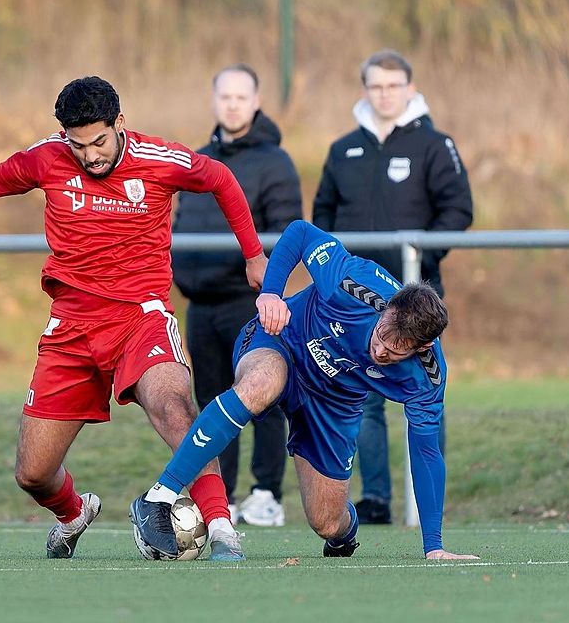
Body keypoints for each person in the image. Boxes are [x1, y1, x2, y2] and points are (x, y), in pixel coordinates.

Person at [0, 76, 266, 560]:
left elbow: (221, 180)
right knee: (32, 472)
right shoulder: (48, 156)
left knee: (174, 406)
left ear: (120, 123)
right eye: (78, 145)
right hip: (72, 327)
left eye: (98, 141)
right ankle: (73, 512)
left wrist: (253, 255)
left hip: (140, 317)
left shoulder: (158, 160)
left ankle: (223, 528)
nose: (90, 155)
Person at [131, 220, 478, 560]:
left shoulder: (427, 378)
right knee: (259, 384)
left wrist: (434, 546)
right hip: (284, 340)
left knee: (328, 522)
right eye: (384, 331)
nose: (382, 348)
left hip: (334, 402)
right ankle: (160, 495)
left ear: (423, 346)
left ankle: (345, 534)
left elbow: (427, 453)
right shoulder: (350, 281)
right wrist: (271, 294)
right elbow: (300, 232)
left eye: (398, 347)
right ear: (389, 307)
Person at [312, 50, 473, 525]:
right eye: (376, 86)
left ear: (409, 87)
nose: (384, 94)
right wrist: (336, 269)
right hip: (357, 307)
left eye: (393, 85)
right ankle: (376, 498)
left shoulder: (434, 145)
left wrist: (421, 263)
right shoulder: (343, 149)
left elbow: (458, 211)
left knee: (424, 395)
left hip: (415, 301)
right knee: (364, 398)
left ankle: (429, 509)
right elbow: (322, 213)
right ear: (365, 89)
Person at [172, 64, 301, 526]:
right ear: (213, 100)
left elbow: (286, 235)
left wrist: (269, 286)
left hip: (248, 302)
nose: (231, 104)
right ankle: (219, 496)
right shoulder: (198, 158)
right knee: (209, 400)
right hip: (200, 305)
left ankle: (266, 493)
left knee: (261, 395)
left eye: (240, 97)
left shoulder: (275, 162)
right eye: (224, 96)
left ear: (256, 101)